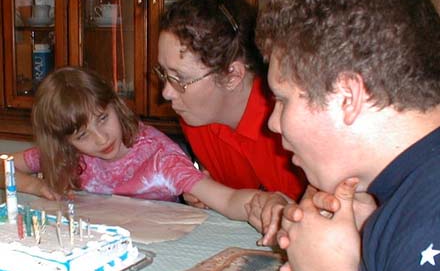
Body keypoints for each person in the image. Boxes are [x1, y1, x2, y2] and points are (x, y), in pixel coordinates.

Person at [256, 0, 440, 271]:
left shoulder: (429, 226)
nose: (272, 122)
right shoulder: (414, 191)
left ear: (347, 97)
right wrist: (374, 229)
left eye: (283, 100)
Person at [12, 67, 288, 227]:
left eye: (103, 119)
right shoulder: (69, 155)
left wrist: (262, 204)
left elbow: (226, 200)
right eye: (83, 135)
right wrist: (36, 187)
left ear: (115, 105)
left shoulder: (159, 158)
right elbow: (4, 165)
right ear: (65, 142)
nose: (101, 139)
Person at [157, 0, 306, 207]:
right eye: (164, 74)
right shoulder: (196, 118)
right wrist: (209, 193)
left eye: (180, 78)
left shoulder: (290, 122)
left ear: (232, 76)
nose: (166, 93)